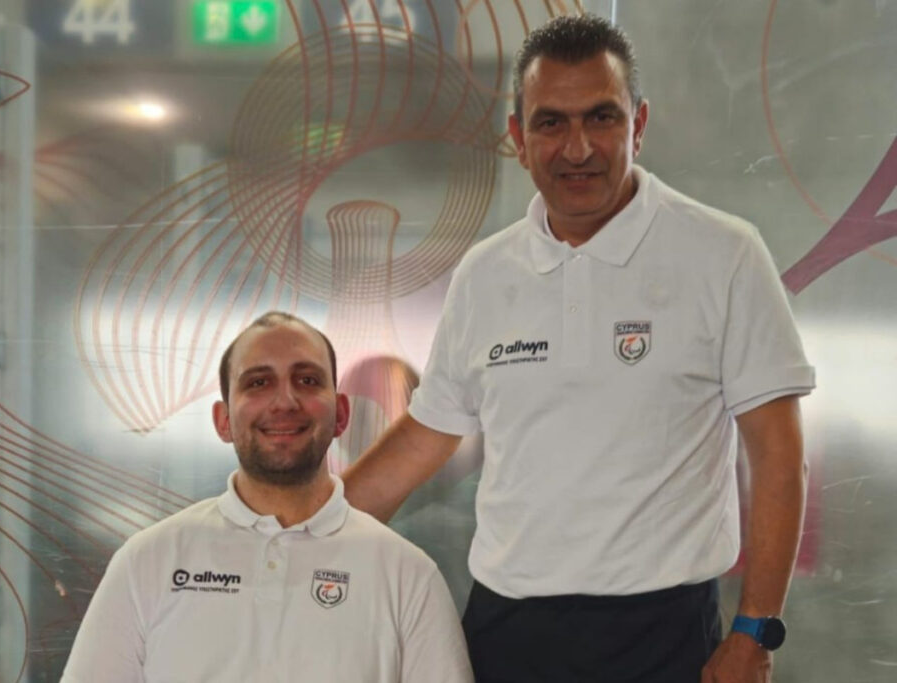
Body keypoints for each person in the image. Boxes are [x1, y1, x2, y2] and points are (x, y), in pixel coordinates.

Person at [342, 14, 814, 683]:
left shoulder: (725, 254)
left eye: (601, 117)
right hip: (505, 631)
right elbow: (427, 434)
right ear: (518, 138)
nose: (578, 147)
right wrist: (305, 528)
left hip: (665, 636)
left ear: (638, 124)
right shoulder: (485, 273)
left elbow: (779, 458)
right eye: (551, 123)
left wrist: (755, 631)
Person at [61, 312, 473, 683]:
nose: (285, 401)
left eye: (307, 380)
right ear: (223, 421)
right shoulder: (148, 562)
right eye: (258, 382)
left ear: (341, 415)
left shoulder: (408, 576)